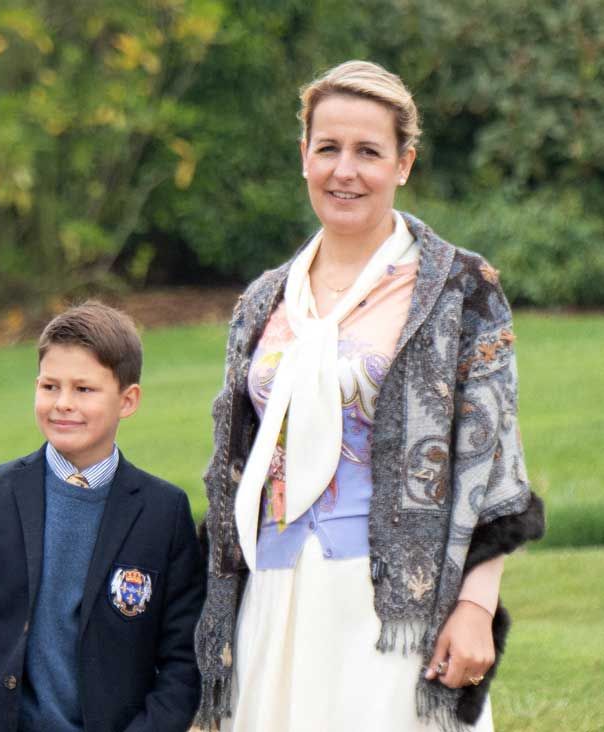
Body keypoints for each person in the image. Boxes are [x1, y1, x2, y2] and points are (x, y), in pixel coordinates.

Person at [193, 61, 546, 732]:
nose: (343, 170)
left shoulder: (458, 289)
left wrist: (475, 607)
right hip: (275, 596)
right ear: (304, 156)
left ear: (404, 162)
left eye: (368, 152)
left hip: (395, 607)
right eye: (327, 148)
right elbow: (232, 469)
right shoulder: (264, 300)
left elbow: (494, 463)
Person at [0, 302, 206, 732]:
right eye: (50, 387)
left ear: (128, 400)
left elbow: (182, 661)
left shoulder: (163, 512)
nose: (63, 404)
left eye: (84, 389)